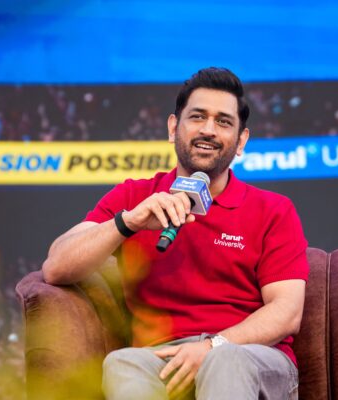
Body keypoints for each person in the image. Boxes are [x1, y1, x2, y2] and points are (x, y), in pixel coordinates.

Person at [42, 67, 308, 400]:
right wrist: (128, 222)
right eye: (197, 117)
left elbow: (287, 312)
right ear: (173, 128)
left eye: (223, 122)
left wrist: (213, 346)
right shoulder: (134, 197)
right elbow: (56, 267)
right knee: (122, 362)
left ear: (241, 141)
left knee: (224, 361)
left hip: (247, 353)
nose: (208, 130)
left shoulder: (273, 209)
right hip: (163, 357)